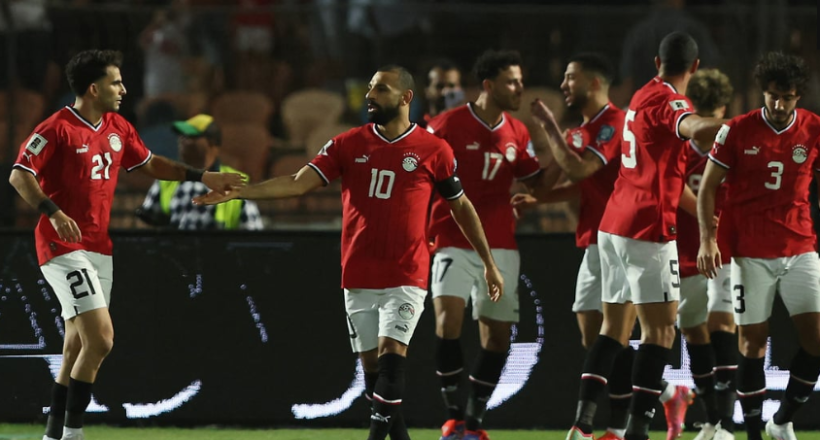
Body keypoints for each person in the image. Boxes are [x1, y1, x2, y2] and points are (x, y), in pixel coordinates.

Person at [193, 64, 504, 440]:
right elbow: (297, 183)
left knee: (392, 360)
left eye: (381, 89)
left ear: (406, 97)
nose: (370, 96)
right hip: (358, 273)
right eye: (370, 88)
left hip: (407, 272)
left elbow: (461, 206)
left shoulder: (433, 149)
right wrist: (243, 191)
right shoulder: (347, 144)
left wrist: (488, 262)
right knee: (374, 376)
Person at [7, 50, 244, 440]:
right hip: (62, 245)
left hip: (99, 248)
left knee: (76, 346)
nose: (123, 89)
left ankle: (53, 433)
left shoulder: (118, 126)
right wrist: (53, 212)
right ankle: (73, 433)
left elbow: (151, 164)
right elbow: (20, 175)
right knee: (101, 339)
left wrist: (202, 176)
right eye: (116, 82)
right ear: (93, 88)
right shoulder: (56, 128)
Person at [564, 31, 725, 440]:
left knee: (612, 331)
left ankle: (581, 426)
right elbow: (693, 126)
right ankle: (637, 430)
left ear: (657, 62)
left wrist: (704, 218)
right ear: (695, 66)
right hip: (648, 229)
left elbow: (670, 178)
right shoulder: (673, 101)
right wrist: (737, 127)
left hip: (613, 225)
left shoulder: (640, 95)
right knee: (660, 333)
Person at [425, 49, 551, 440]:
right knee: (447, 321)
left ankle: (474, 421)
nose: (519, 88)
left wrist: (558, 145)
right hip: (451, 237)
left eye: (520, 81)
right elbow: (418, 178)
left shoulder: (518, 131)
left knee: (496, 336)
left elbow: (536, 183)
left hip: (500, 243)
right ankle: (453, 417)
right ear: (488, 85)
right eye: (511, 82)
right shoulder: (447, 124)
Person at [698, 51, 820, 440]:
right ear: (762, 93)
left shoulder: (815, 129)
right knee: (752, 343)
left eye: (787, 97)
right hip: (749, 252)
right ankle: (753, 434)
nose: (779, 105)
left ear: (798, 96)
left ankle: (780, 421)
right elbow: (707, 187)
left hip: (800, 246)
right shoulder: (736, 130)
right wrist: (707, 239)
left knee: (817, 340)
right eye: (772, 96)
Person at [513, 52, 633, 440]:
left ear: (594, 83)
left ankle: (601, 426)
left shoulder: (614, 123)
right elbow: (562, 183)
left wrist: (549, 127)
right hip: (595, 239)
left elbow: (581, 169)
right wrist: (536, 193)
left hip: (625, 240)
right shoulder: (580, 132)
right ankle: (663, 391)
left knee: (610, 336)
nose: (564, 84)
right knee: (593, 335)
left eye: (570, 77)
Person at [675, 68, 736, 440]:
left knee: (721, 324)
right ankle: (713, 421)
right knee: (693, 331)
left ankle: (727, 425)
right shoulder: (679, 150)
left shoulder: (733, 150)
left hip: (724, 250)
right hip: (685, 251)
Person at [136, 114, 264, 230]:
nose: (182, 140)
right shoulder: (167, 178)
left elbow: (251, 231)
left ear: (211, 142)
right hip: (176, 247)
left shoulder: (235, 184)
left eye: (191, 136)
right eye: (181, 135)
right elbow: (147, 222)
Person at [422, 59, 465, 125]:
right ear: (427, 91)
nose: (445, 92)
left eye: (451, 86)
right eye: (439, 86)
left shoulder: (470, 127)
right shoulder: (418, 128)